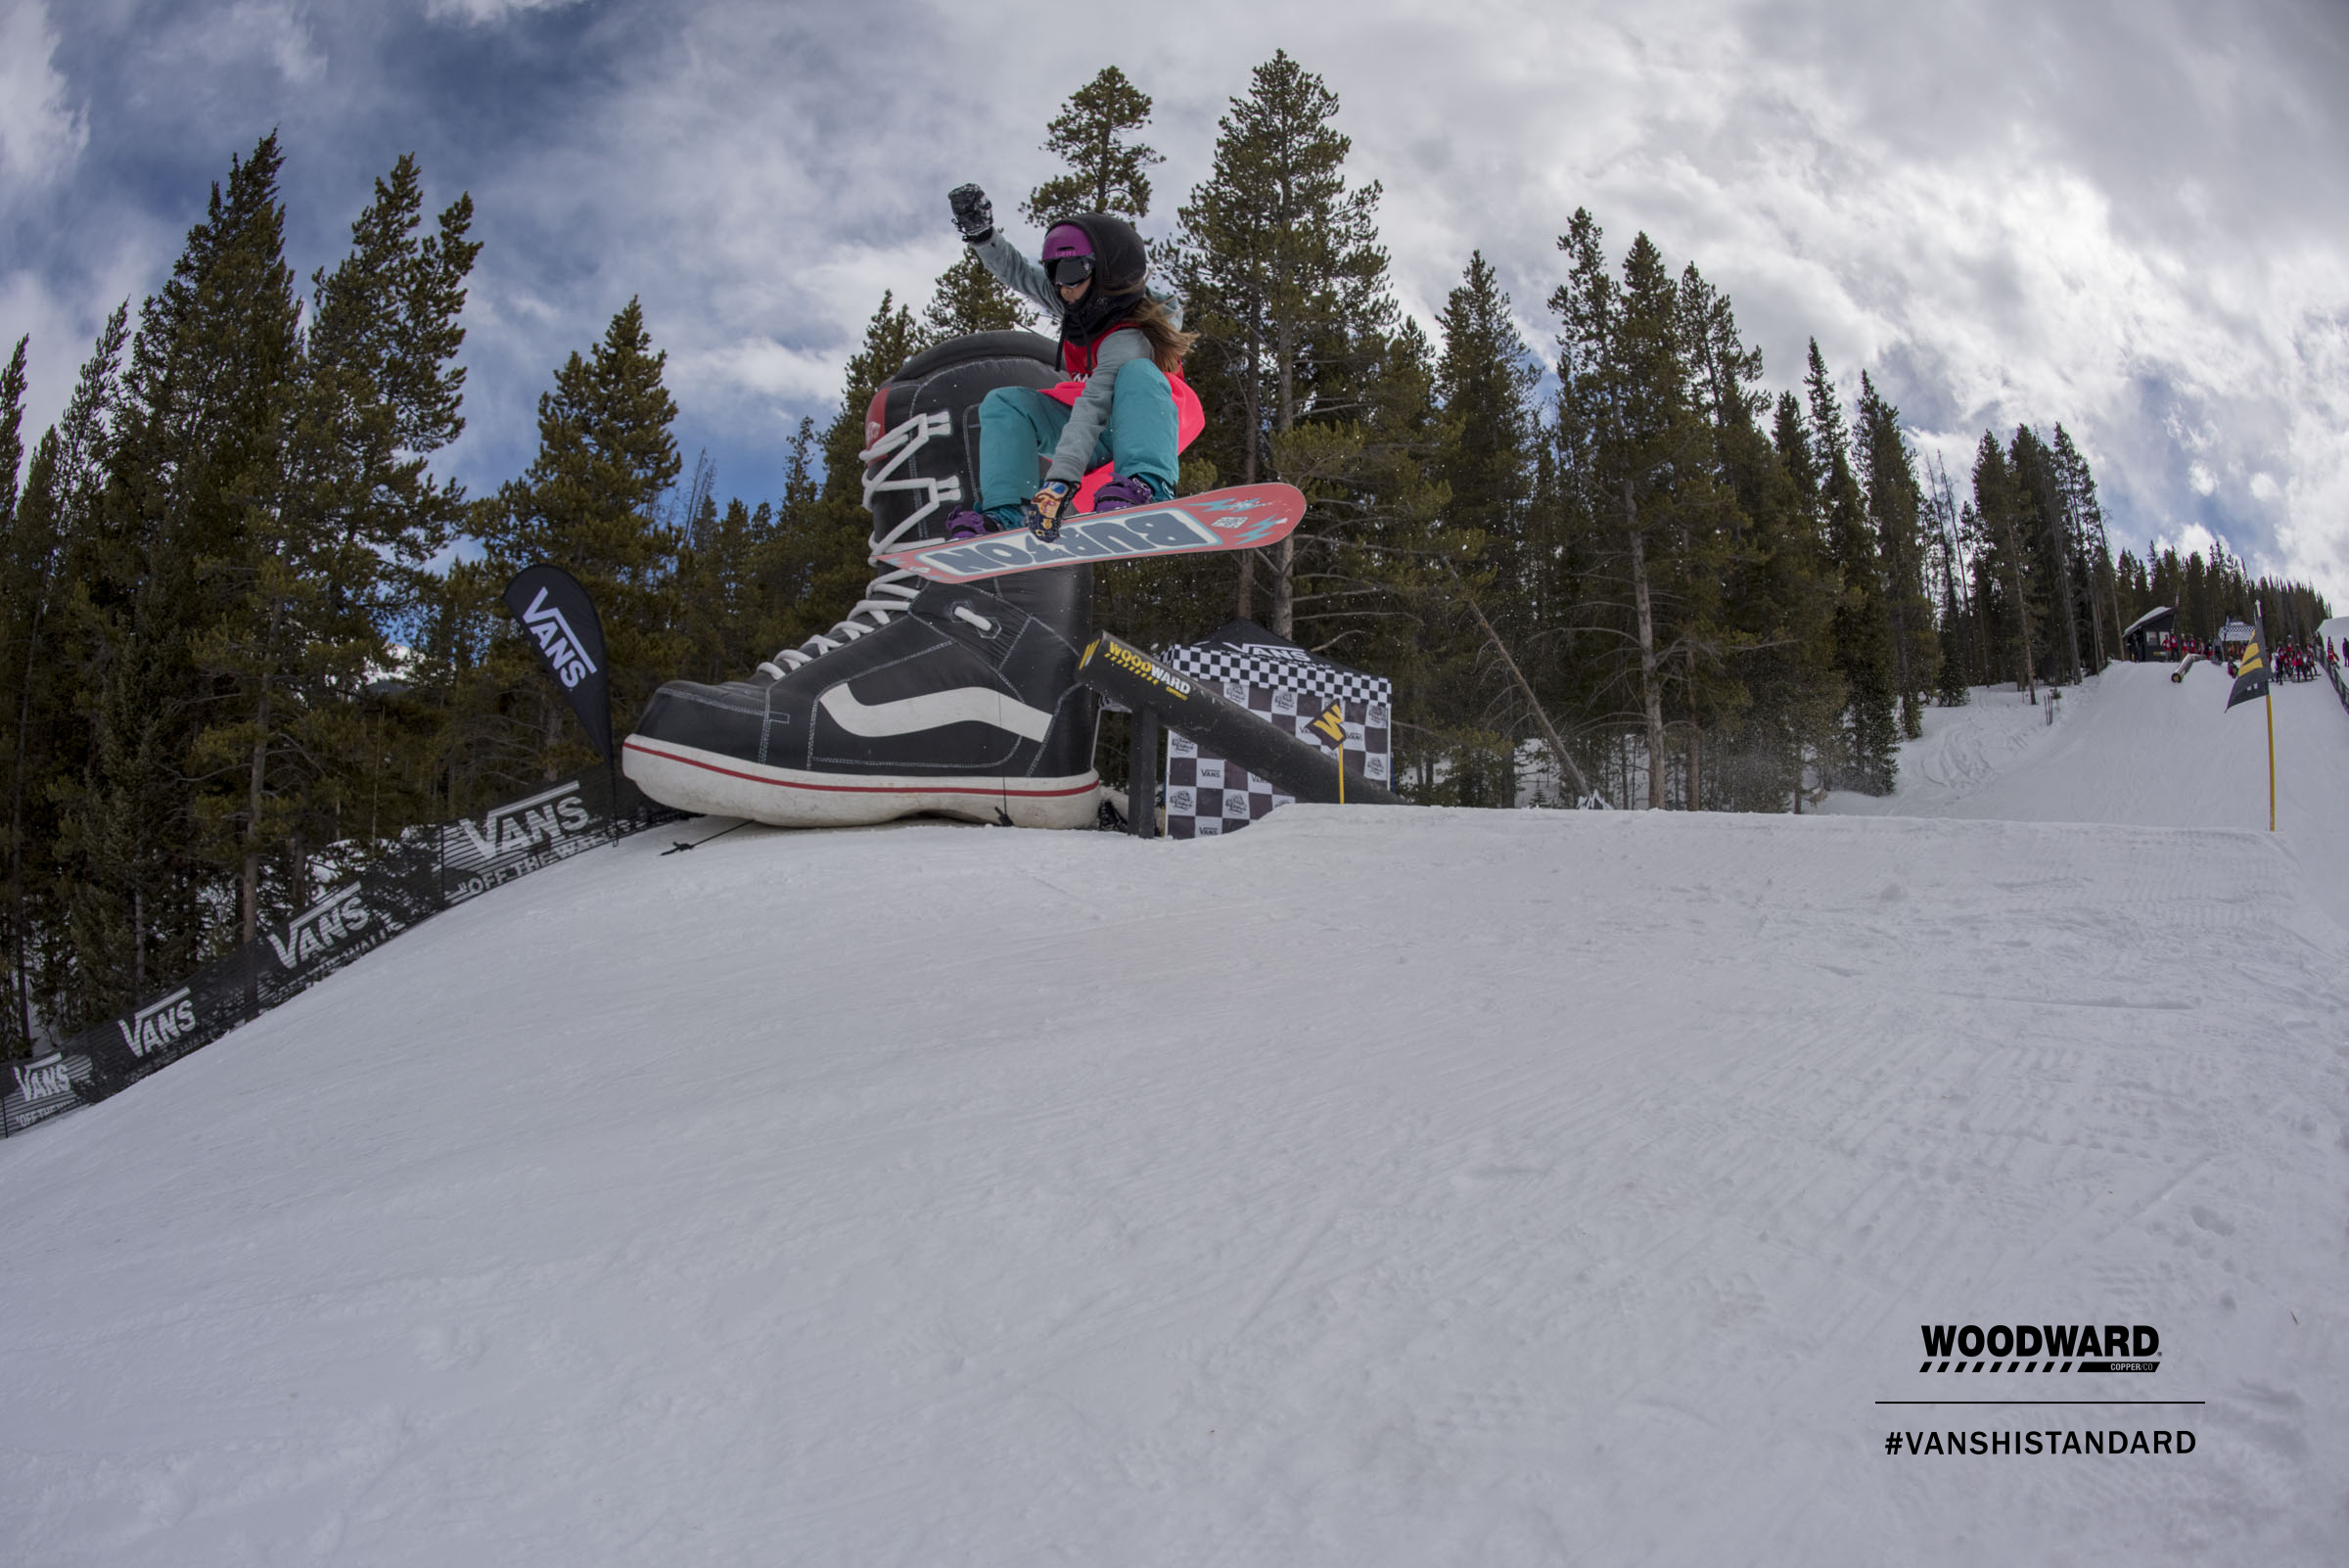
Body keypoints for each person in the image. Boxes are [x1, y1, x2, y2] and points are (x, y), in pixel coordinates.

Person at [936, 184, 1201, 542]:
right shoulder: (1077, 299)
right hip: (1094, 429)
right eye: (1054, 270)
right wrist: (983, 237)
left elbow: (1095, 403)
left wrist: (1059, 481)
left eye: (1072, 270)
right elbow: (1018, 273)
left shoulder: (1129, 335)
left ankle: (1147, 484)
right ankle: (1006, 511)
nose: (1061, 286)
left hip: (1144, 425)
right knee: (1005, 402)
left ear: (1107, 272)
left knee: (1135, 374)